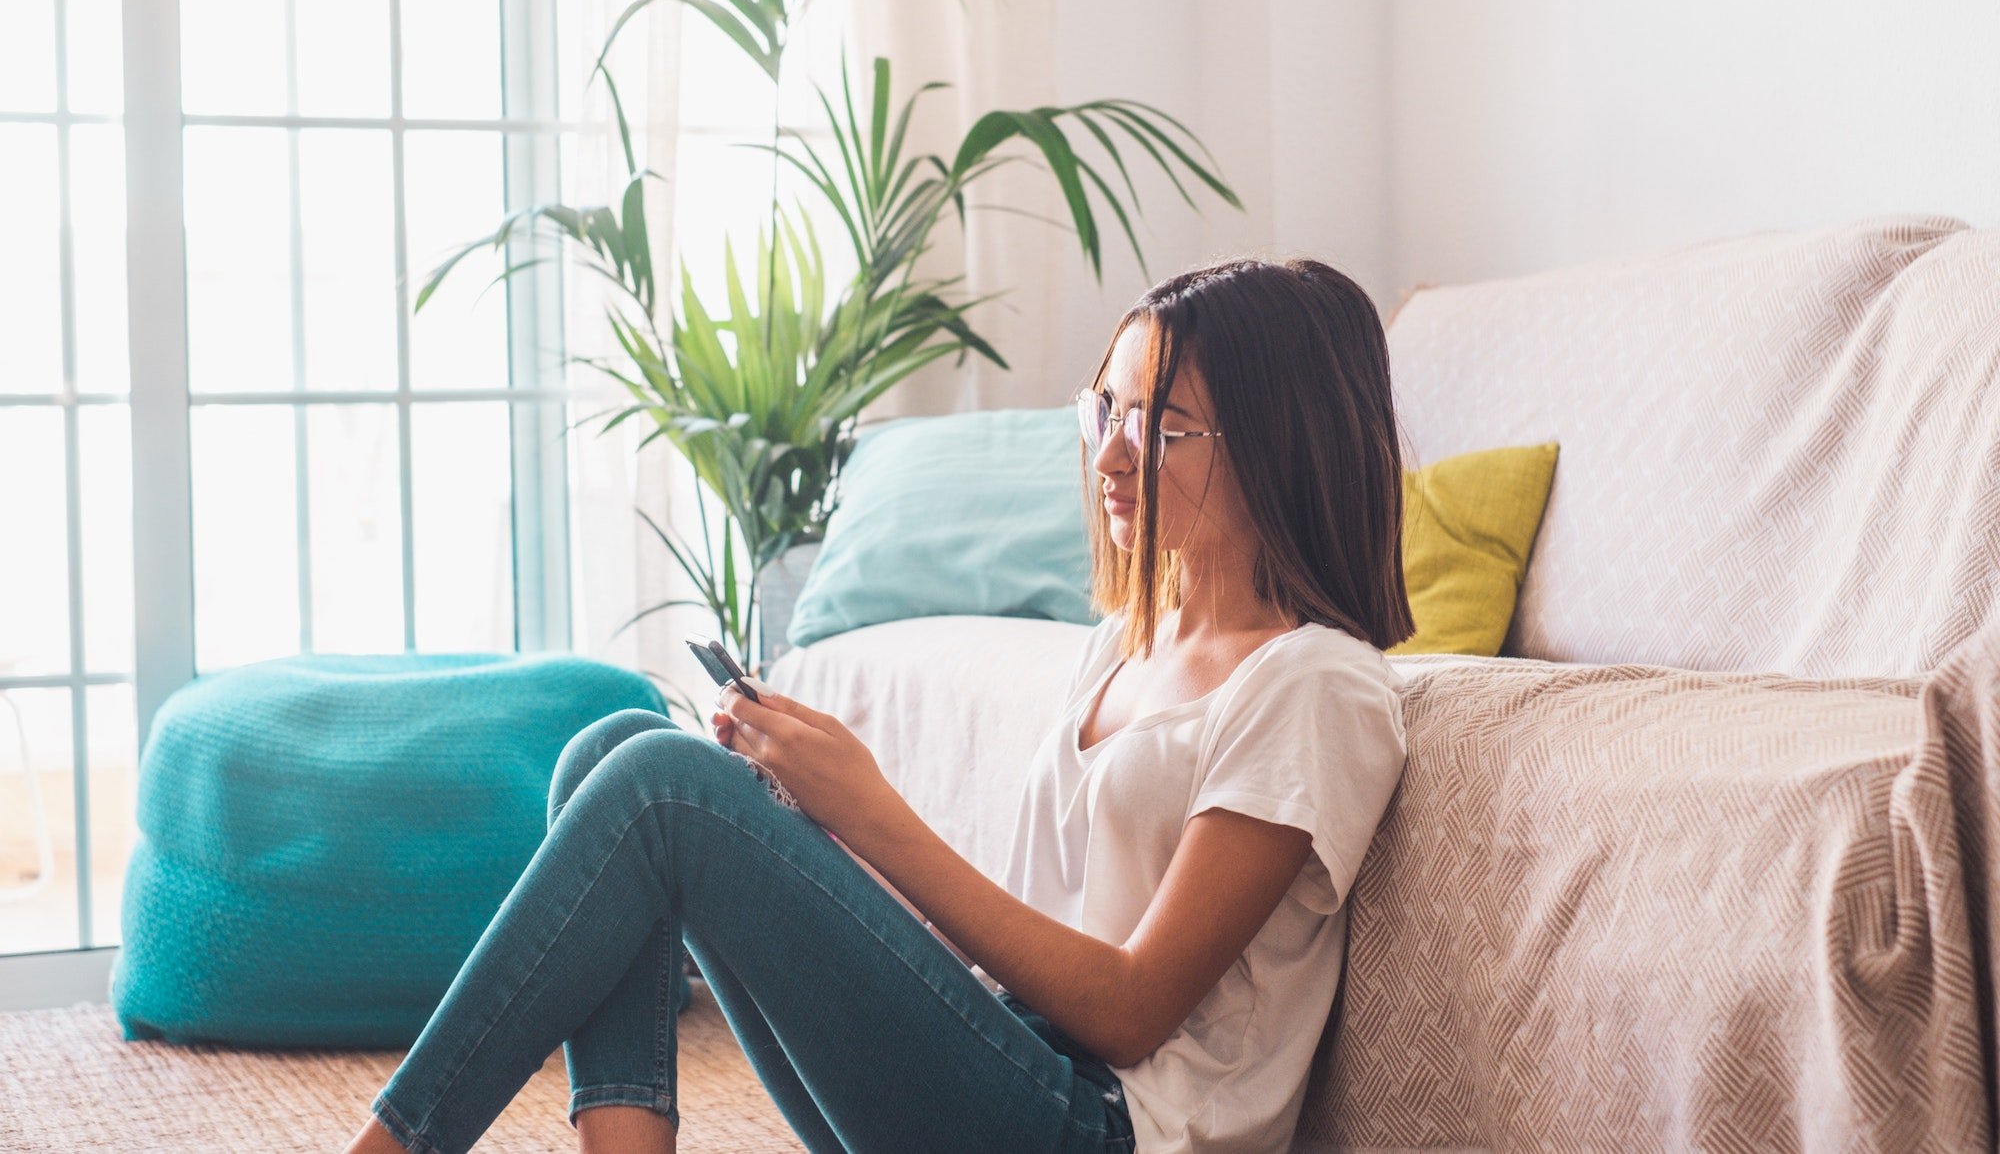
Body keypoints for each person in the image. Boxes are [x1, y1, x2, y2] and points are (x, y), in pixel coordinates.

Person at [342, 257, 1415, 1154]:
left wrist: (867, 810)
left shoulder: (1312, 683)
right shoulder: (1118, 649)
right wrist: (808, 833)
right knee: (610, 749)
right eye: (1109, 410)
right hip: (1019, 1062)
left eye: (1163, 427)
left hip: (1104, 1126)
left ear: (1278, 449)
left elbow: (1131, 1009)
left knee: (660, 788)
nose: (1112, 455)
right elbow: (1024, 956)